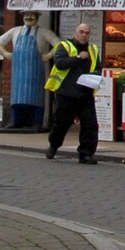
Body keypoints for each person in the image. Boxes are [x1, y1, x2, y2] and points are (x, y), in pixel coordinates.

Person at [44, 20, 103, 163]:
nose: (84, 35)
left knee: (90, 125)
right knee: (61, 124)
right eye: (81, 32)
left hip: (85, 93)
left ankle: (86, 154)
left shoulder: (93, 50)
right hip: (66, 93)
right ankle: (54, 145)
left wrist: (96, 75)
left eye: (87, 33)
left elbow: (98, 67)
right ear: (75, 33)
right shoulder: (64, 46)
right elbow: (60, 64)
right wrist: (77, 58)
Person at [0, 12, 56, 130]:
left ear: (37, 17)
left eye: (31, 15)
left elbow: (60, 44)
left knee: (36, 97)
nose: (28, 17)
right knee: (17, 96)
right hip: (18, 72)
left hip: (35, 72)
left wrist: (48, 56)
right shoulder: (15, 31)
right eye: (26, 15)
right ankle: (15, 120)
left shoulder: (42, 32)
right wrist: (6, 54)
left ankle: (37, 121)